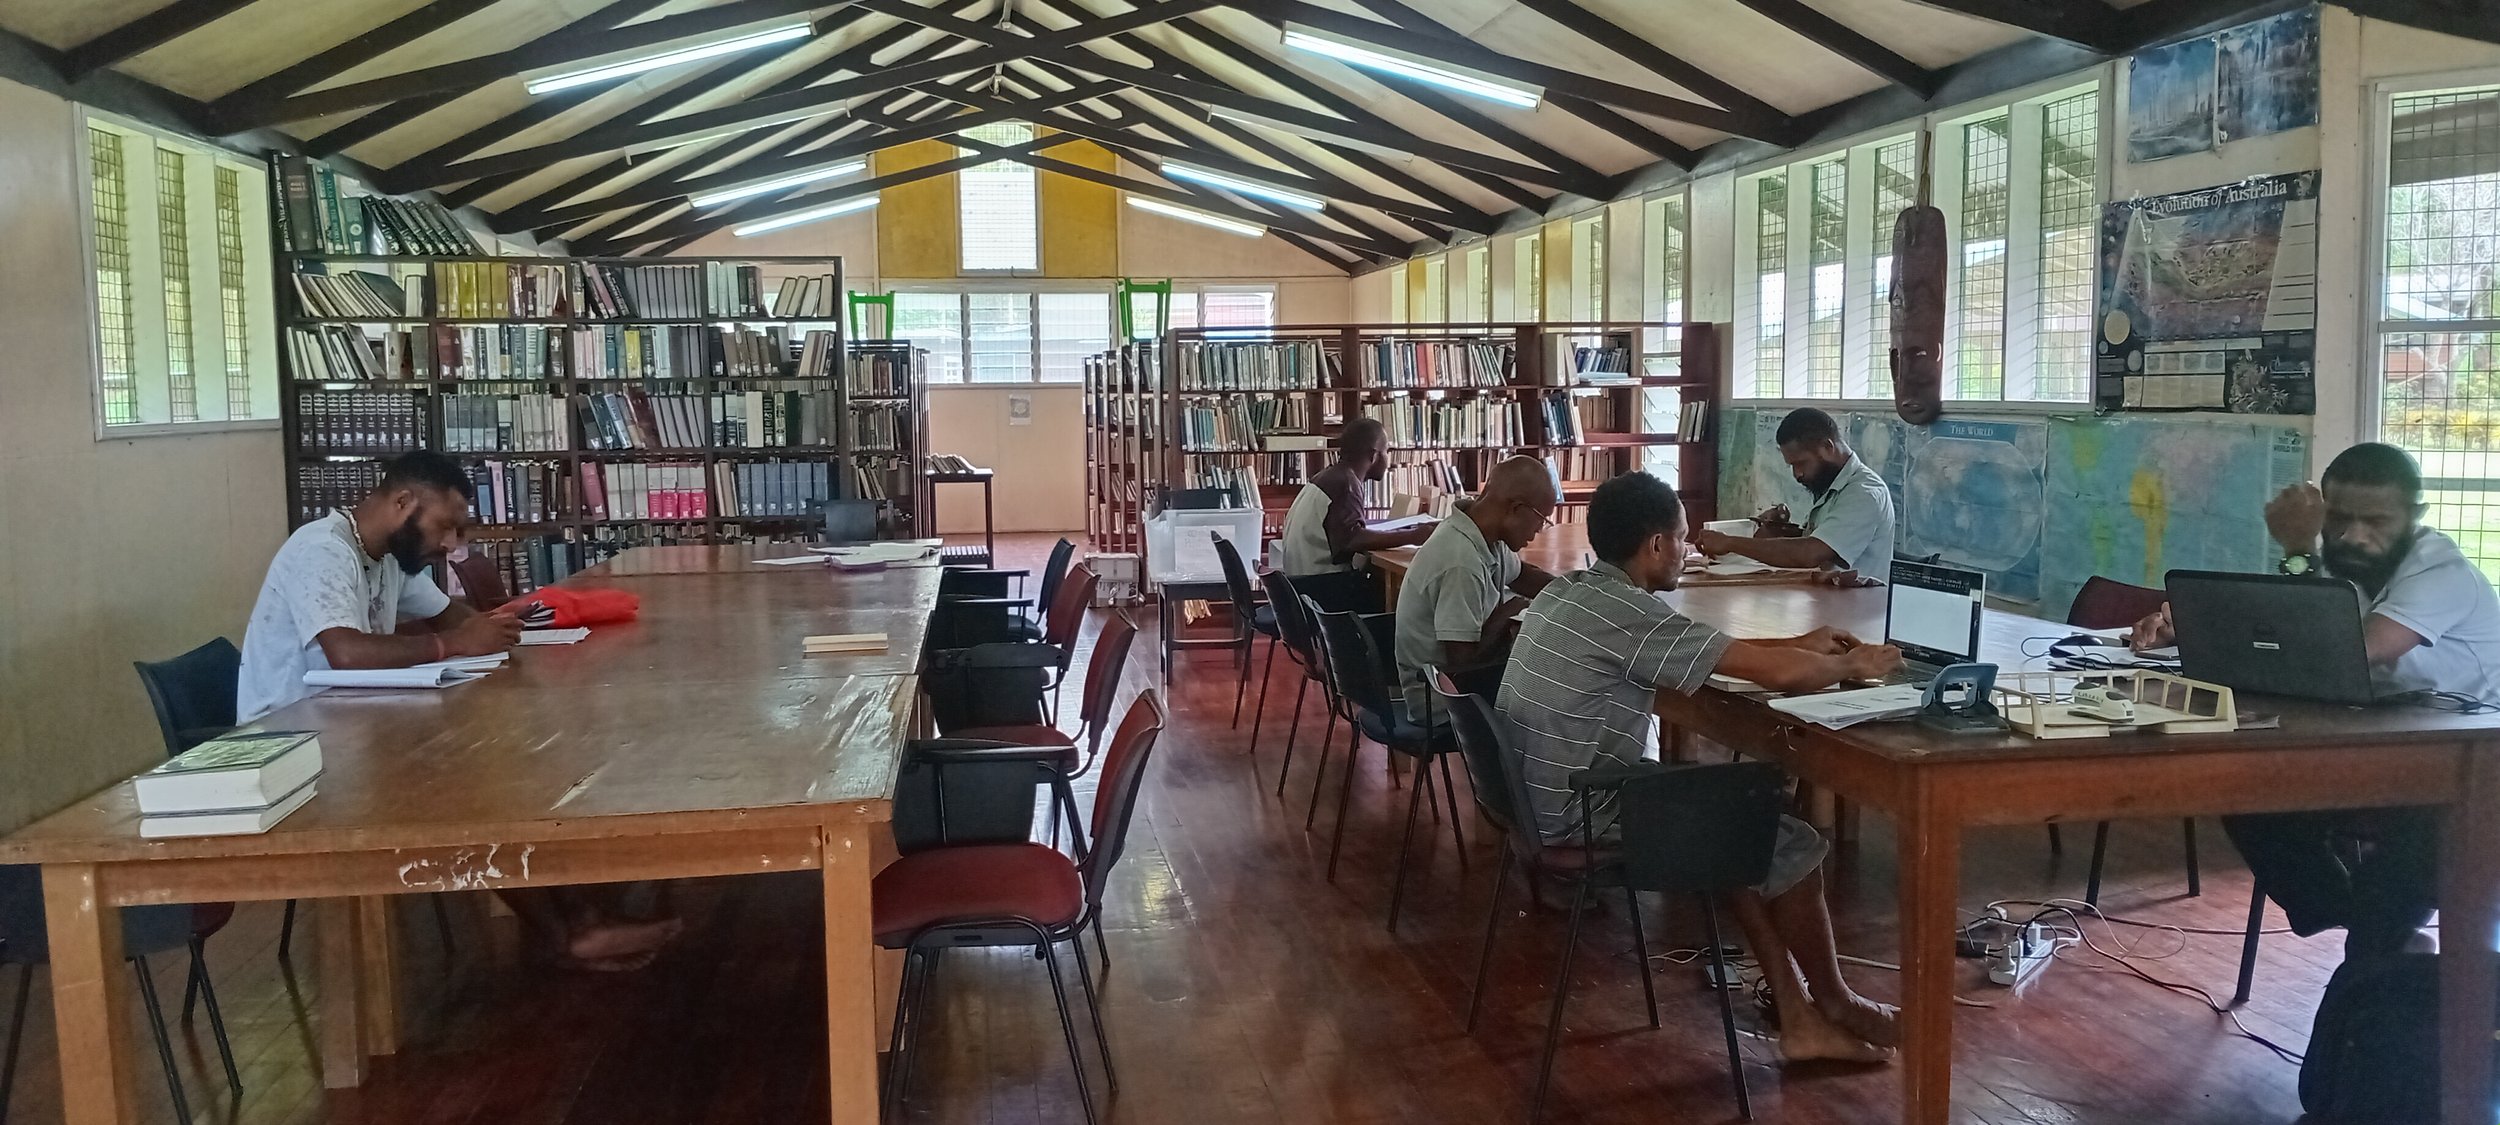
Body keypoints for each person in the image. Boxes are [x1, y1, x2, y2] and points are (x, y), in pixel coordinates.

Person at [1499, 470, 1906, 1063]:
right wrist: (1857, 665)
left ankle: (1801, 1018)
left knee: (1728, 817)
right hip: (1582, 810)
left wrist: (1806, 642)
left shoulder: (1575, 592)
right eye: (1683, 538)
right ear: (1656, 546)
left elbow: (1710, 649)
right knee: (1783, 835)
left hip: (1537, 804)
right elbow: (1777, 677)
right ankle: (1834, 1002)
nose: (1689, 550)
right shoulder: (1627, 615)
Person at [237, 451, 682, 970]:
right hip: (294, 749)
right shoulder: (322, 552)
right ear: (403, 502)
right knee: (472, 786)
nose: (450, 544)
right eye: (444, 526)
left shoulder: (387, 559)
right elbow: (348, 651)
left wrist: (493, 632)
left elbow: (455, 616)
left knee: (504, 767)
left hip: (351, 726)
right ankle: (570, 930)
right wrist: (455, 645)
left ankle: (581, 919)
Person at [2129, 443, 2500, 959]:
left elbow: (2351, 651)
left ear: (2414, 517)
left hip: (2470, 761)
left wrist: (2299, 548)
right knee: (2244, 790)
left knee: (2411, 834)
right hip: (2377, 741)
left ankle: (2379, 949)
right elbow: (2279, 637)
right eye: (2339, 518)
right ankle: (2354, 923)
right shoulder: (2337, 560)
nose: (2354, 536)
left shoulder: (2441, 571)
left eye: (2377, 522)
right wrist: (2187, 632)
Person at [1393, 456, 1559, 718]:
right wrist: (1506, 613)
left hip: (1458, 681)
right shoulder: (1461, 560)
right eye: (1542, 519)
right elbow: (1461, 663)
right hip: (1441, 698)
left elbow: (1524, 577)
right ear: (1516, 509)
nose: (1540, 530)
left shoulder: (1485, 535)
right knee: (1559, 691)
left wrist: (1573, 593)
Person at [1692, 407, 1894, 575]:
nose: (1797, 474)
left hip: (1857, 612)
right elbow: (1818, 541)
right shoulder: (1832, 483)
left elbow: (1810, 554)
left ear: (1827, 446)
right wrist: (1777, 532)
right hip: (1825, 602)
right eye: (1791, 466)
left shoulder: (1864, 493)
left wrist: (1729, 542)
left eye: (1801, 463)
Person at [1278, 416, 1435, 613]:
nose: (1388, 458)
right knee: (1405, 600)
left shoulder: (1329, 476)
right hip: (1323, 591)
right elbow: (1352, 540)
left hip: (1303, 587)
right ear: (1373, 455)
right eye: (1386, 451)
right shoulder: (1346, 484)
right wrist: (1414, 536)